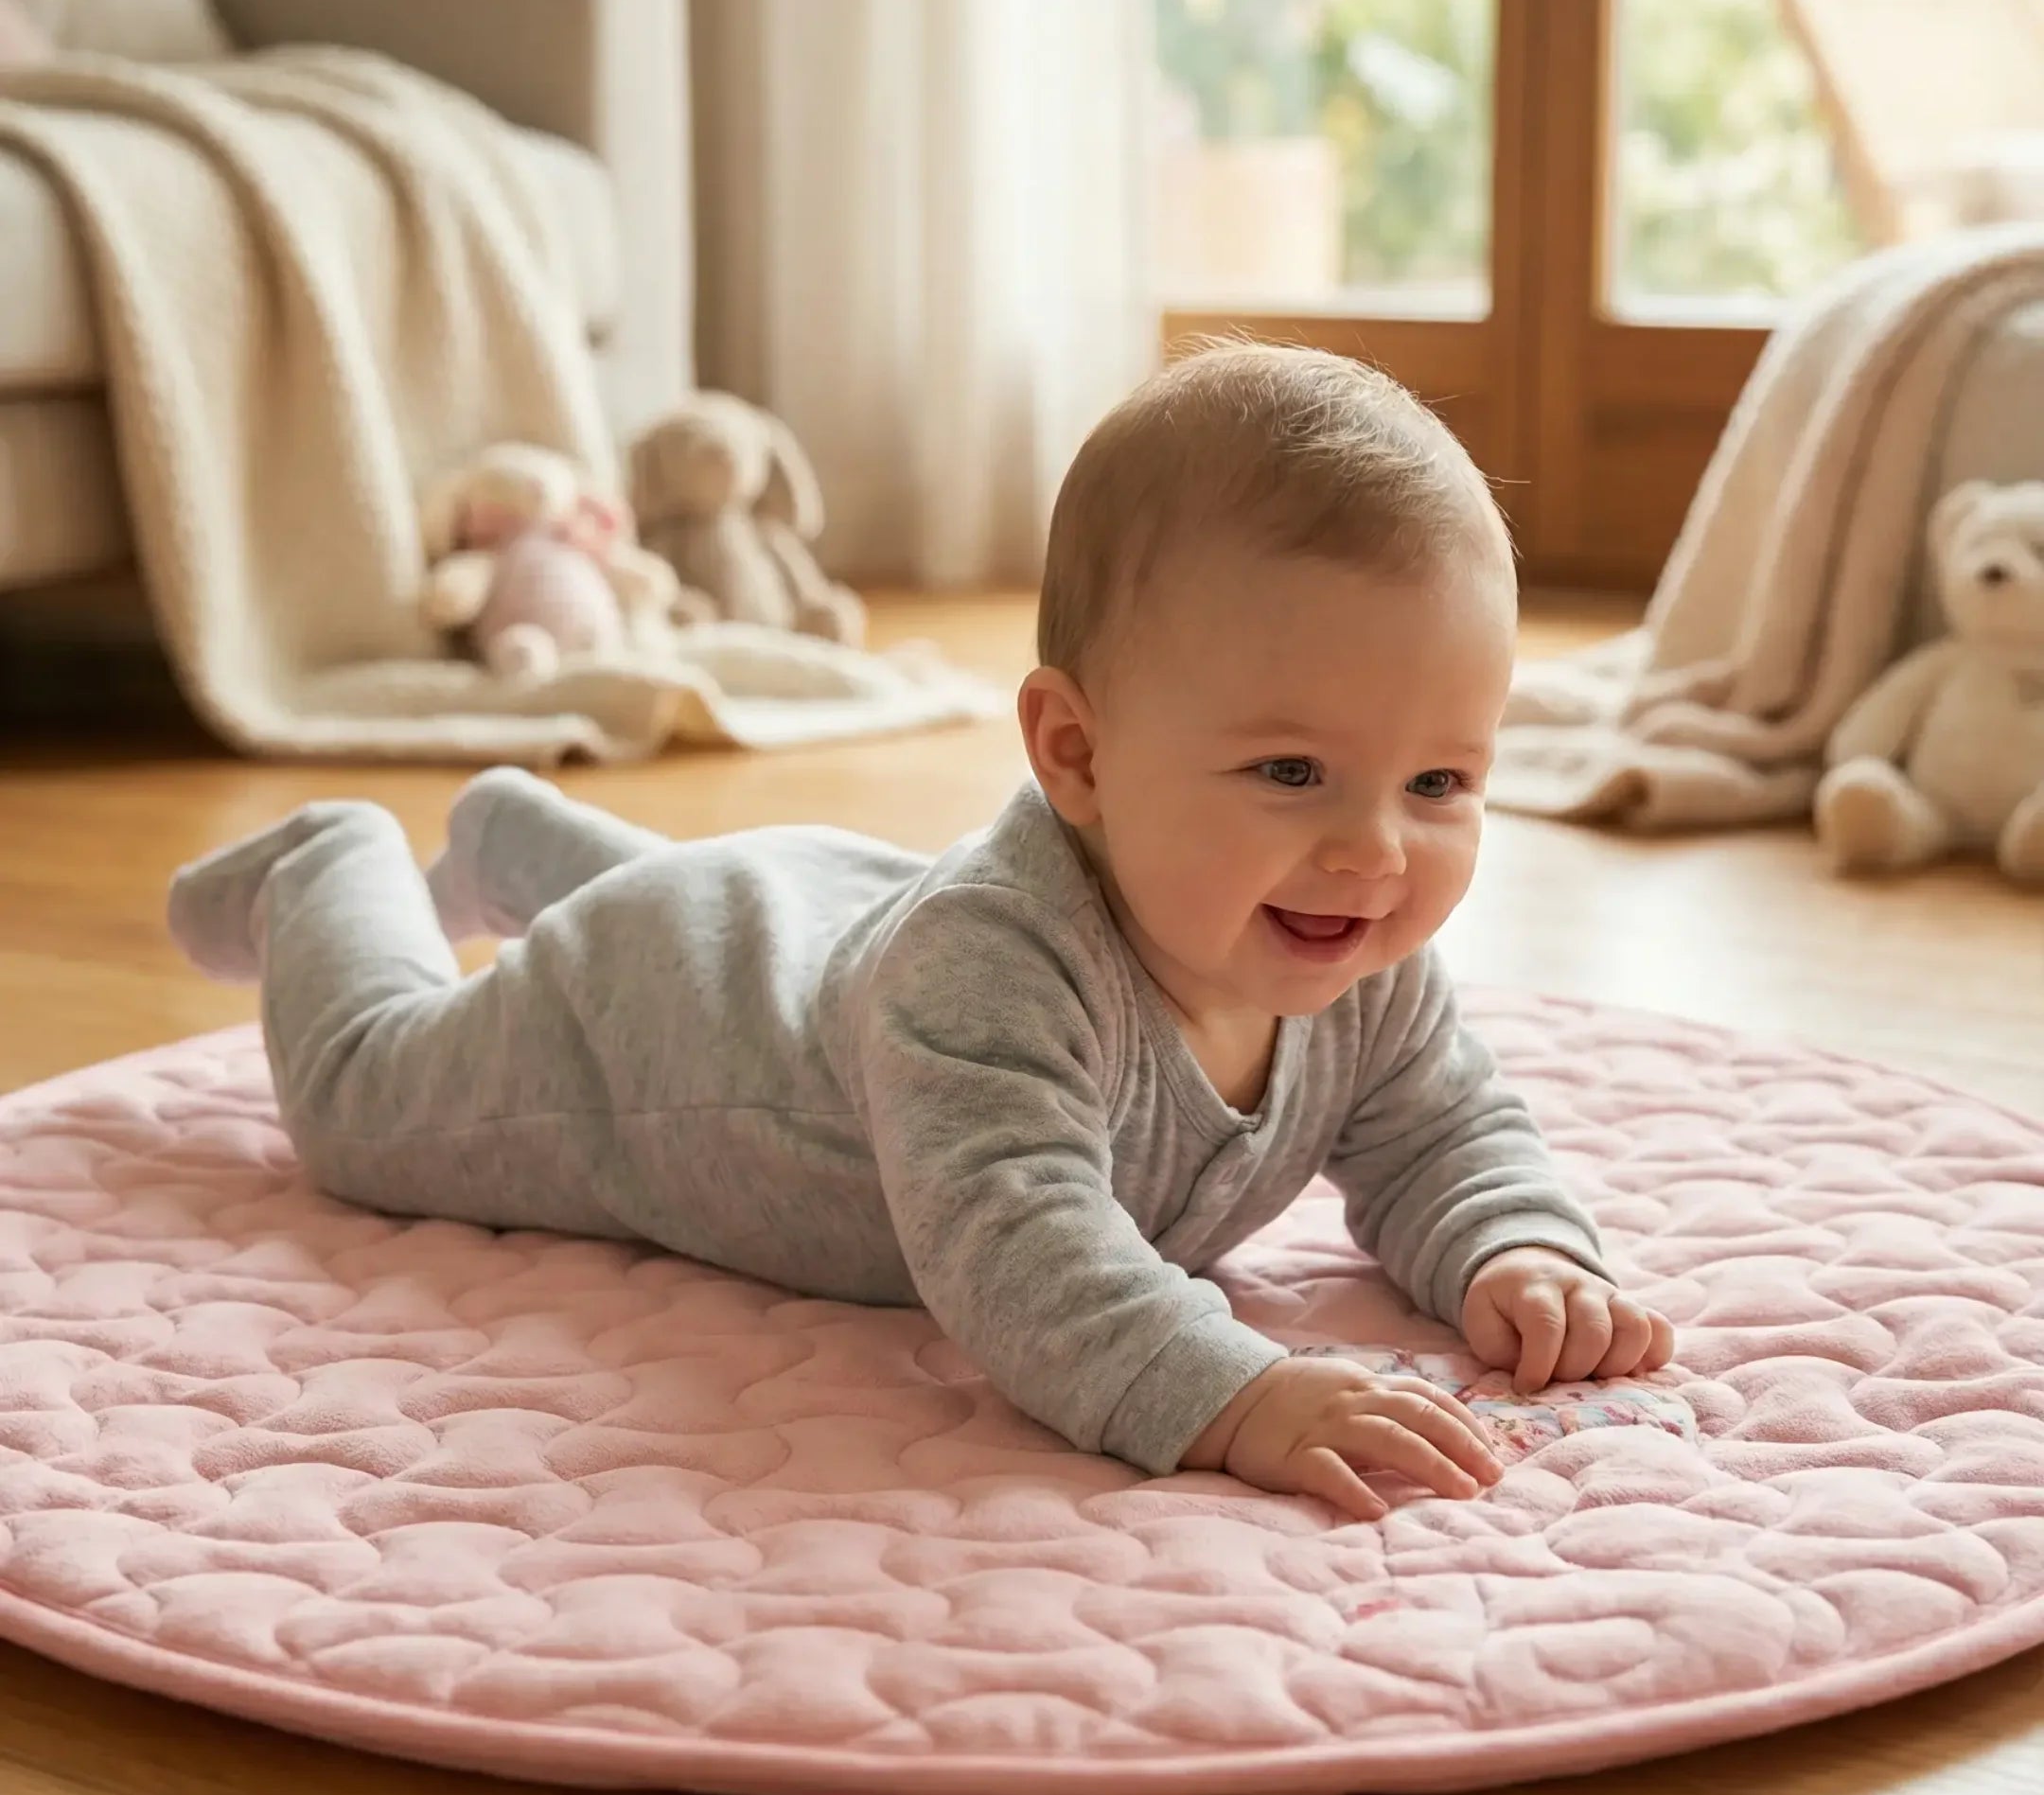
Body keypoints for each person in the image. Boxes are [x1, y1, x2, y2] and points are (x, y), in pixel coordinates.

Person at [167, 342, 1673, 1523]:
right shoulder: (990, 975)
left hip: (806, 920)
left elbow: (1441, 1132)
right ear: (1076, 754)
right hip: (663, 1023)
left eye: (1439, 784)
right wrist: (1237, 1395)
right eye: (1292, 772)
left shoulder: (1360, 956)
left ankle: (519, 843)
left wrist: (1517, 1246)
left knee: (755, 904)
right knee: (362, 1107)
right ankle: (331, 867)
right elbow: (1019, 1255)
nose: (1375, 851)